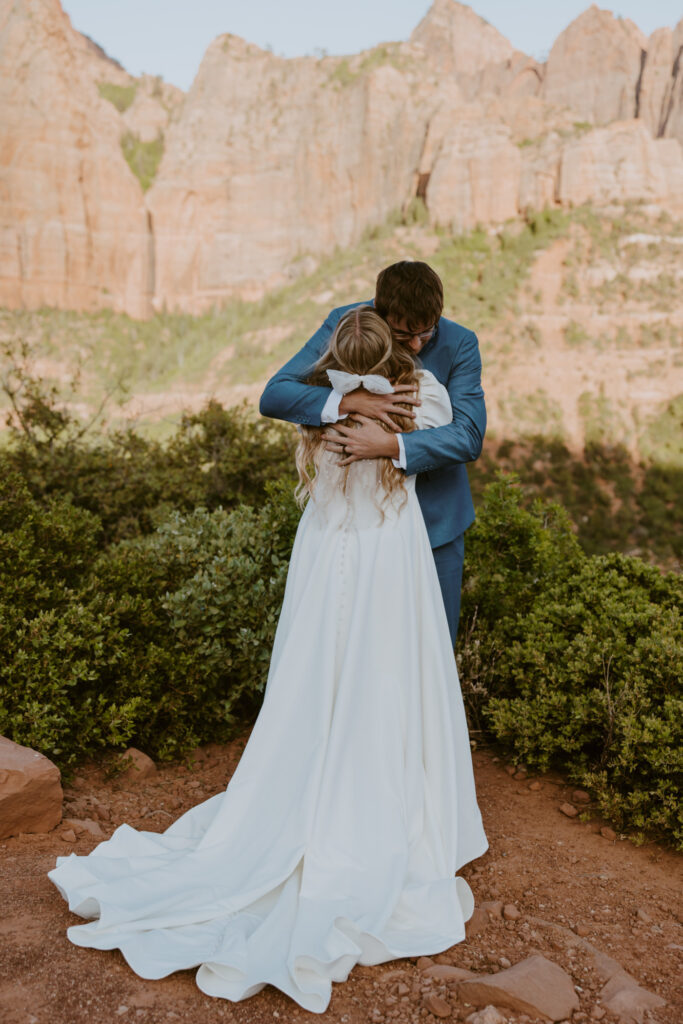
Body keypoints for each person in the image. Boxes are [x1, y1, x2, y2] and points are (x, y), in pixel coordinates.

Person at [47, 307, 488, 1015]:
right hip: (382, 553)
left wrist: (348, 403)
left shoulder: (322, 401)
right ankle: (387, 788)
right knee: (385, 668)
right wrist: (378, 407)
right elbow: (450, 429)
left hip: (327, 547)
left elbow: (309, 396)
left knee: (321, 667)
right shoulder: (418, 396)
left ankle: (312, 776)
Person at [259, 260, 486, 646]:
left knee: (432, 651)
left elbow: (468, 435)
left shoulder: (460, 343)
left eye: (426, 332)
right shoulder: (348, 323)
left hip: (435, 526)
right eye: (403, 334)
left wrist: (391, 446)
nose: (417, 345)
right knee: (360, 644)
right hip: (360, 527)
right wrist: (350, 401)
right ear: (380, 314)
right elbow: (276, 394)